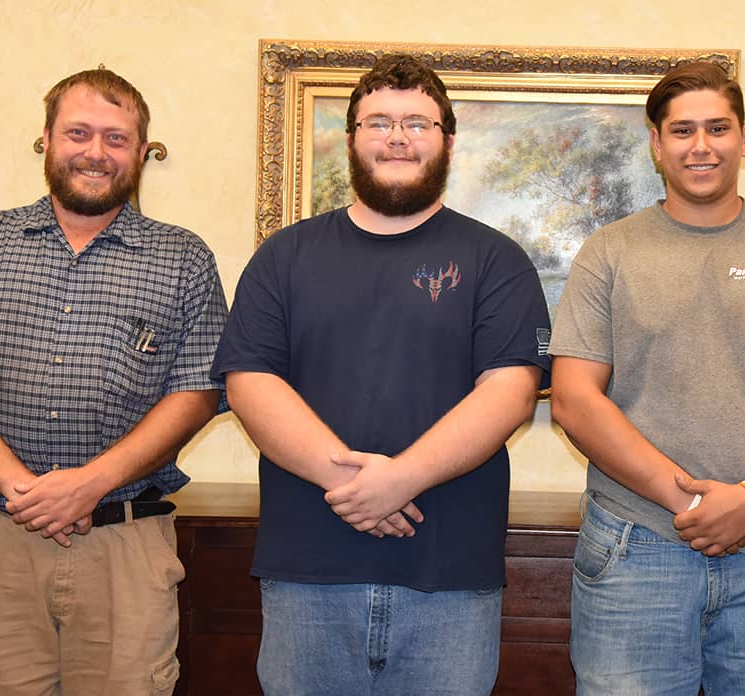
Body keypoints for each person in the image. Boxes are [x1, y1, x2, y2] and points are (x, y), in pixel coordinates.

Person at [211, 54, 550, 696]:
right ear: (351, 139)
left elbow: (509, 390)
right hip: (308, 570)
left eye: (418, 122)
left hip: (450, 575)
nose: (398, 136)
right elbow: (250, 383)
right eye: (379, 122)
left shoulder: (497, 261)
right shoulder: (284, 256)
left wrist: (402, 480)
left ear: (448, 140)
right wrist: (357, 484)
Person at [548, 61, 745, 694]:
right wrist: (690, 504)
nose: (701, 146)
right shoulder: (609, 253)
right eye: (682, 131)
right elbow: (575, 401)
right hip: (637, 549)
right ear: (657, 145)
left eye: (717, 128)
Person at [0, 68, 228, 695]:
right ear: (46, 139)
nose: (95, 152)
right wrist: (26, 490)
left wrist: (89, 485)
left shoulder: (184, 258)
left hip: (127, 546)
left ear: (142, 151)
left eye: (116, 139)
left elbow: (199, 390)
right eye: (79, 133)